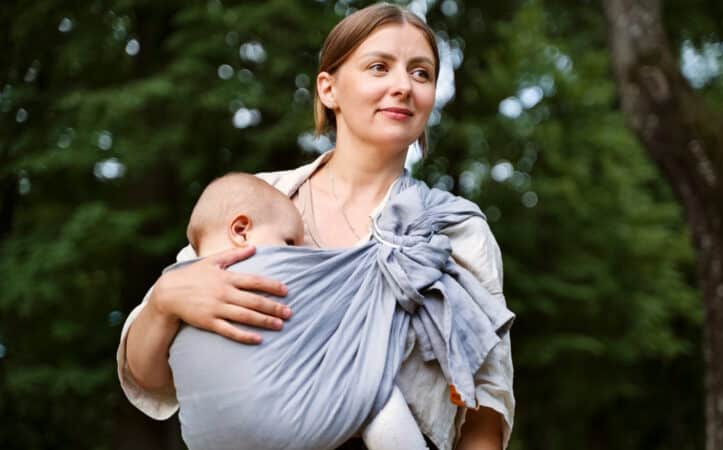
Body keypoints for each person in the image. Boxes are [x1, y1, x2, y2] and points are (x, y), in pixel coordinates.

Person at [118, 3, 515, 449]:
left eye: (421, 73)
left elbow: (484, 415)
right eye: (379, 67)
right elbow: (149, 376)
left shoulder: (455, 232)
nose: (403, 86)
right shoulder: (255, 203)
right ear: (329, 89)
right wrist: (164, 301)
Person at [172, 171, 434, 449]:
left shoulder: (180, 284)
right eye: (289, 242)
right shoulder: (267, 271)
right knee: (374, 391)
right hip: (280, 421)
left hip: (203, 437)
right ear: (241, 231)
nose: (299, 252)